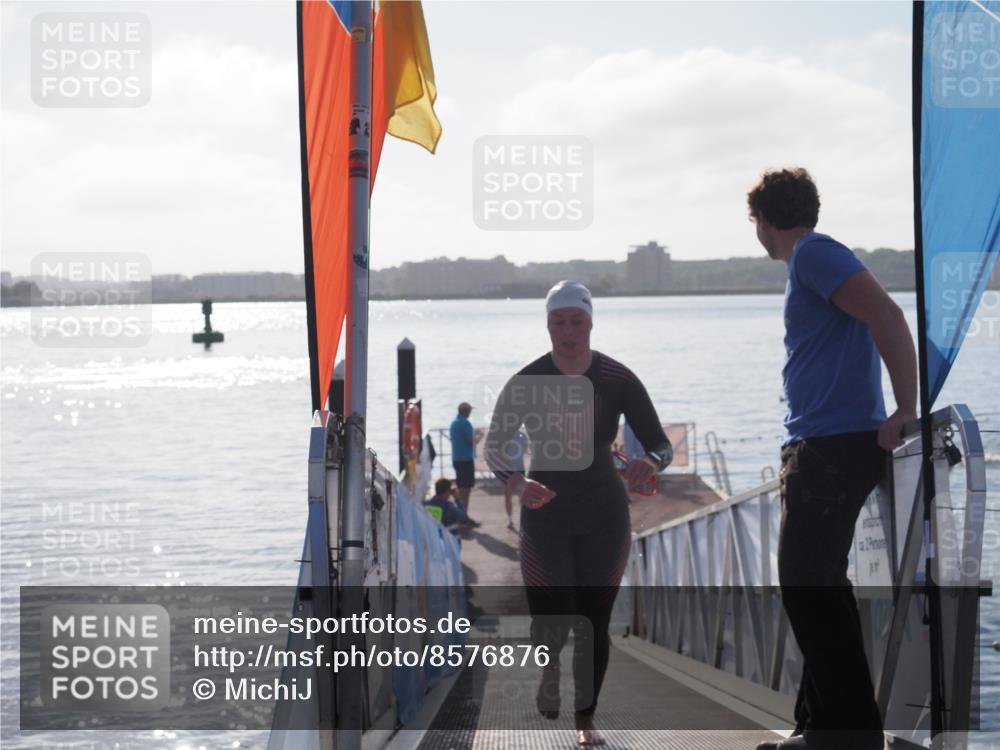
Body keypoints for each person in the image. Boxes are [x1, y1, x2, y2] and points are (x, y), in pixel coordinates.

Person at [747, 168, 917, 750]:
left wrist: (905, 407)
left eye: (756, 223)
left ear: (764, 220)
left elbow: (887, 316)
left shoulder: (815, 254)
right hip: (824, 445)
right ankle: (820, 726)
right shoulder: (812, 259)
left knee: (806, 584)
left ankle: (849, 734)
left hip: (833, 447)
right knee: (817, 584)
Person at [485, 280, 673, 748]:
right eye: (558, 321)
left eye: (577, 321)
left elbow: (660, 442)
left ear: (591, 323)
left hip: (604, 514)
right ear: (547, 324)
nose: (568, 331)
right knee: (553, 612)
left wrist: (652, 462)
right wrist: (516, 482)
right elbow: (494, 447)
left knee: (593, 619)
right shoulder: (527, 382)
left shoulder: (617, 379)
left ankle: (585, 721)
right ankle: (549, 665)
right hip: (545, 513)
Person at [449, 402, 481, 513]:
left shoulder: (454, 423)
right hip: (465, 459)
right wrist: (479, 436)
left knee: (461, 486)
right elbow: (471, 442)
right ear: (466, 411)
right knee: (465, 489)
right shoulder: (465, 423)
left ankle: (462, 513)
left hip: (456, 458)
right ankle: (463, 514)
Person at [501, 428, 529, 532]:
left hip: (509, 469)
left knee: (509, 495)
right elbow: (526, 450)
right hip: (518, 468)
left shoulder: (504, 435)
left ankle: (510, 520)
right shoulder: (521, 435)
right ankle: (519, 520)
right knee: (520, 496)